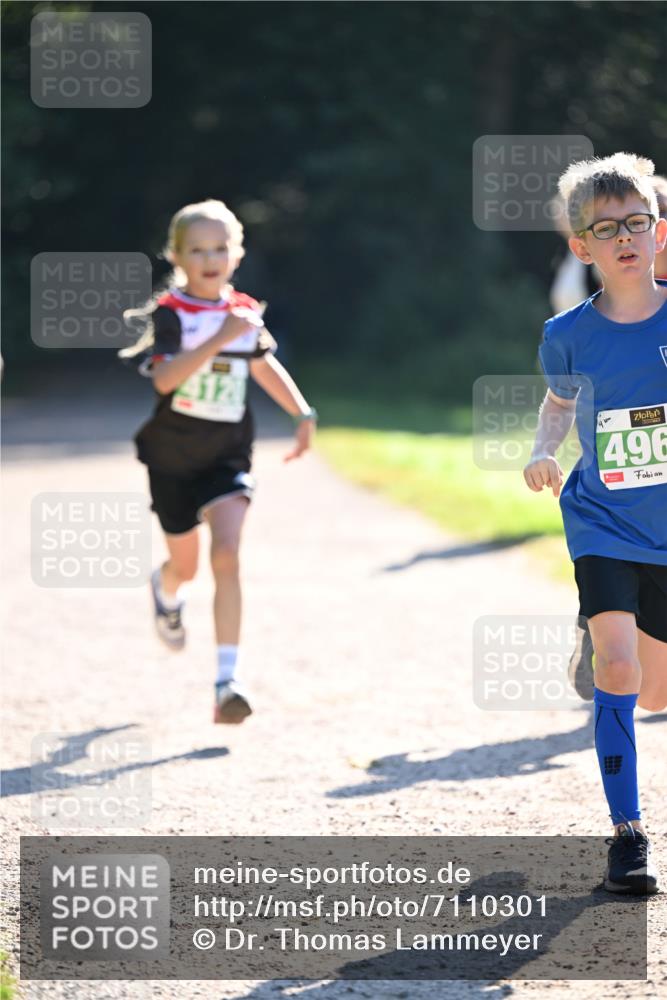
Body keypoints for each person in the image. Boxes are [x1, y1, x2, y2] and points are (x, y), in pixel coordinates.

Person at [523, 152, 667, 894]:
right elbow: (556, 404)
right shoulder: (566, 332)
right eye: (604, 229)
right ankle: (627, 838)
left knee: (654, 693)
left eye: (634, 224)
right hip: (602, 518)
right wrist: (543, 452)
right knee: (618, 668)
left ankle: (596, 635)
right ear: (581, 246)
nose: (622, 238)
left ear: (657, 231)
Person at [121, 199, 317, 724]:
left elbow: (264, 364)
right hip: (172, 457)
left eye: (220, 248)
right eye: (198, 250)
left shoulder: (244, 313)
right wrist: (221, 338)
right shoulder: (172, 314)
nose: (210, 258)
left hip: (226, 454)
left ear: (236, 254)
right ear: (178, 257)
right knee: (185, 566)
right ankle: (165, 590)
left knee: (226, 555)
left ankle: (226, 681)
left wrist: (302, 412)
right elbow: (164, 380)